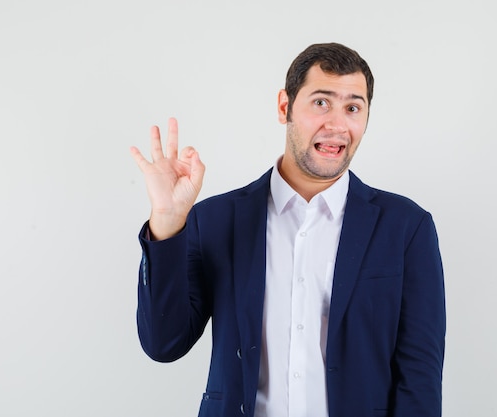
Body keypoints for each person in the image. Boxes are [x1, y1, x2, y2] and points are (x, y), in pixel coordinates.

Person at [130, 42, 445, 417]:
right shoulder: (214, 220)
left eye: (353, 107)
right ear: (285, 107)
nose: (338, 124)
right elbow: (163, 344)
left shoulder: (406, 227)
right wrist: (166, 221)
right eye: (321, 102)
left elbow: (419, 377)